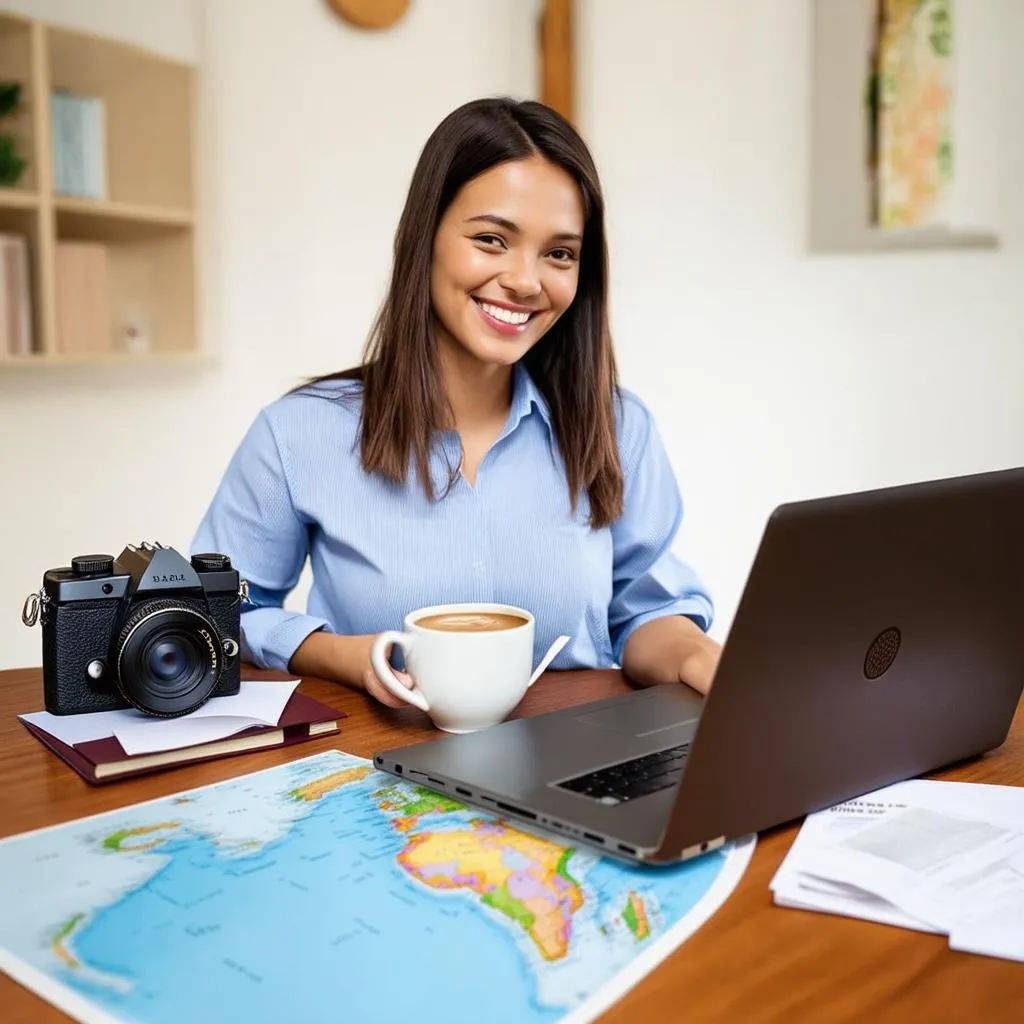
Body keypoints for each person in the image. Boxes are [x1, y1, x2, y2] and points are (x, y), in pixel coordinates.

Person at [191, 96, 721, 708]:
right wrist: (340, 653)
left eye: (559, 253)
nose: (526, 280)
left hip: (571, 761)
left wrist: (696, 654)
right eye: (492, 239)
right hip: (379, 768)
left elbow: (646, 612)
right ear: (427, 238)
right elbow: (216, 612)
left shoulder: (617, 426)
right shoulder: (300, 432)